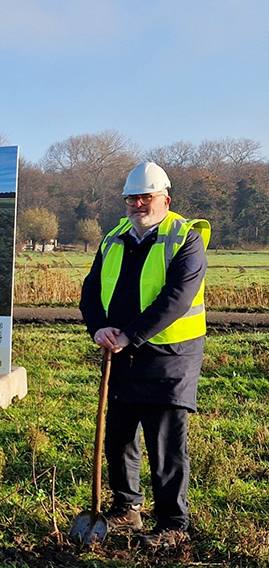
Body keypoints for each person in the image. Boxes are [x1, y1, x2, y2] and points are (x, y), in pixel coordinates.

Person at [80, 161, 209, 548]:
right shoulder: (114, 237)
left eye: (145, 197)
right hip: (121, 353)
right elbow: (90, 290)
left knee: (165, 443)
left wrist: (130, 334)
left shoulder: (185, 238)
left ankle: (173, 523)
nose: (138, 204)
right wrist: (98, 327)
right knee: (119, 438)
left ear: (164, 199)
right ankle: (127, 509)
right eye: (131, 198)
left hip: (170, 356)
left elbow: (176, 298)